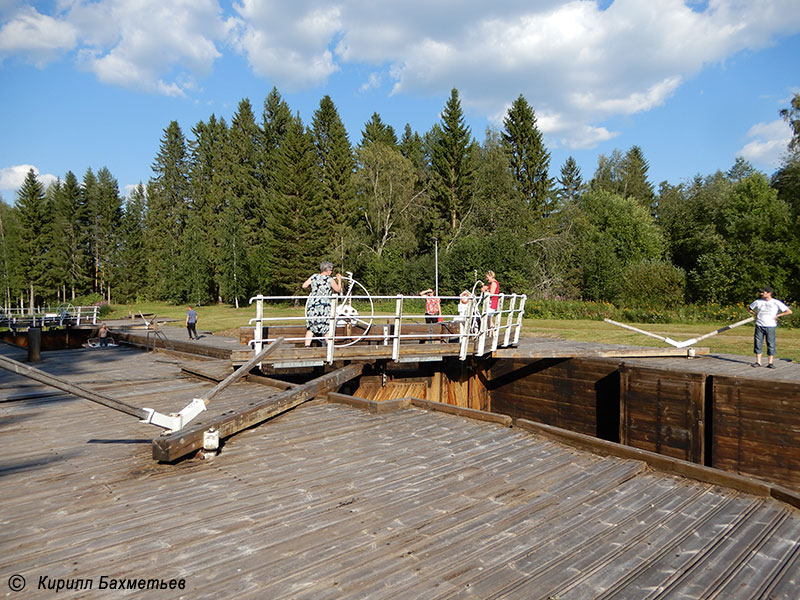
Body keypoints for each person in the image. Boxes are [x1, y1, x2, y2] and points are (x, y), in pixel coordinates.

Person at [748, 286, 792, 368]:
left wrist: (777, 315)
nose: (762, 294)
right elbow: (750, 308)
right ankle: (758, 362)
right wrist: (755, 313)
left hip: (770, 326)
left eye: (764, 292)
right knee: (758, 343)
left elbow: (788, 311)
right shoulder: (758, 301)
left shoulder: (776, 302)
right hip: (759, 325)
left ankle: (770, 363)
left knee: (771, 344)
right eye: (761, 292)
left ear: (769, 293)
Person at [302, 261, 343, 347]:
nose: (331, 272)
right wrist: (339, 280)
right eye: (331, 270)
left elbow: (304, 285)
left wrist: (314, 289)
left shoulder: (314, 276)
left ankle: (306, 348)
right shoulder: (329, 279)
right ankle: (329, 348)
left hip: (313, 305)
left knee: (311, 328)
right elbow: (338, 289)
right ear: (328, 270)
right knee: (326, 328)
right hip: (325, 306)